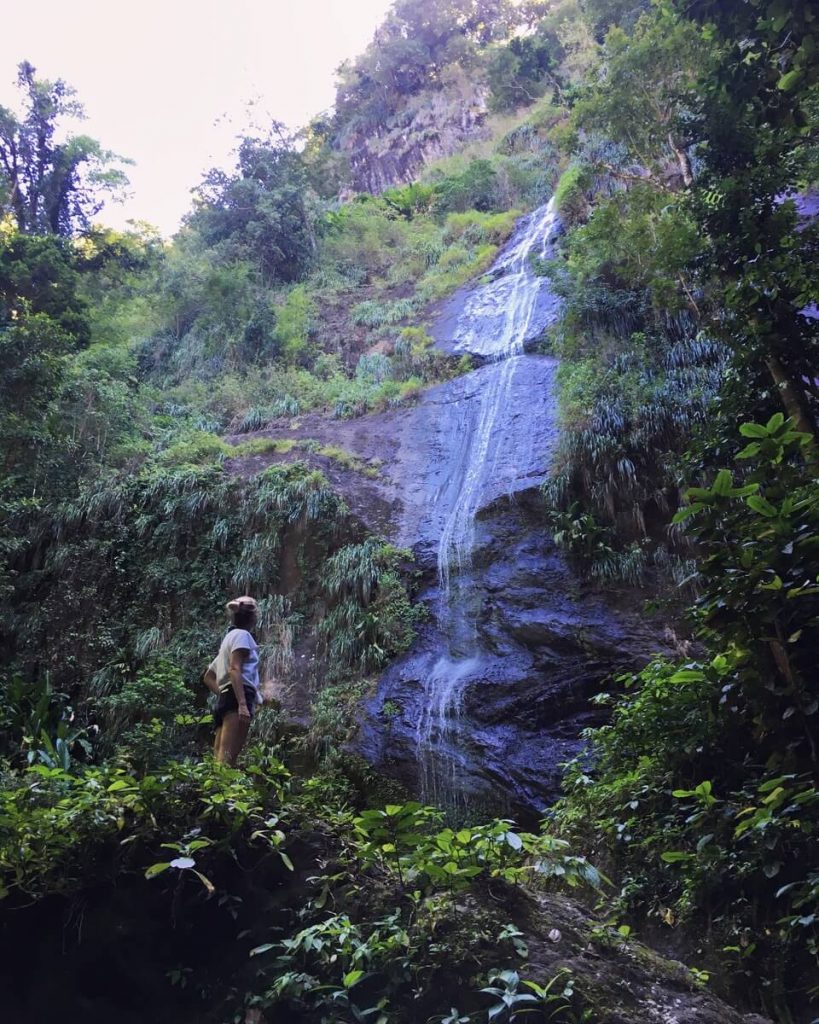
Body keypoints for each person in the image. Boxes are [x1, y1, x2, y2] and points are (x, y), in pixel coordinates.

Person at [205, 595, 261, 765]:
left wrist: (224, 693)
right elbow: (235, 668)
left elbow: (208, 677)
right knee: (228, 757)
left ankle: (215, 789)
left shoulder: (228, 640)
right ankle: (223, 790)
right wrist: (242, 703)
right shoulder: (243, 636)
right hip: (238, 696)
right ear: (253, 617)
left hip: (228, 697)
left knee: (219, 754)